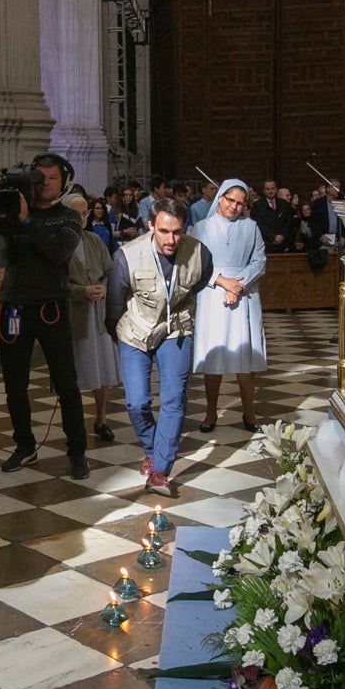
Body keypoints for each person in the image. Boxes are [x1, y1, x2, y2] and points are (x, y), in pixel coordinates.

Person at [0, 152, 91, 479]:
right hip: (15, 307)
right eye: (40, 178)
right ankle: (24, 445)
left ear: (64, 182)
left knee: (66, 384)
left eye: (53, 179)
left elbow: (58, 252)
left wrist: (26, 222)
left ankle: (77, 451)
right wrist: (3, 221)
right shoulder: (13, 214)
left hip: (51, 307)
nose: (45, 185)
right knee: (14, 384)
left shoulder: (69, 217)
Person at [106, 199, 212, 498]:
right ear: (150, 225)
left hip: (176, 331)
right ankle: (152, 448)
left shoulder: (199, 253)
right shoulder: (126, 256)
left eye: (177, 232)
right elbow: (113, 305)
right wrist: (119, 335)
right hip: (135, 331)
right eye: (164, 231)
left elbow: (200, 282)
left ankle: (160, 470)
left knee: (173, 398)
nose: (171, 239)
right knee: (137, 401)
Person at [191, 180, 267, 433]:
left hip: (244, 295)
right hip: (212, 293)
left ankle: (250, 413)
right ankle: (210, 413)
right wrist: (222, 282)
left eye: (240, 203)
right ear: (220, 199)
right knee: (214, 356)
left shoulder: (251, 227)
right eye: (230, 200)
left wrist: (239, 285)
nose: (234, 206)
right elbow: (193, 262)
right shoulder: (201, 227)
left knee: (245, 357)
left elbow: (259, 260)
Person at [63, 193, 118, 443]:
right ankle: (73, 424)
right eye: (77, 214)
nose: (82, 218)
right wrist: (80, 291)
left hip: (99, 314)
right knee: (72, 371)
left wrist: (103, 288)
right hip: (75, 315)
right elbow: (56, 283)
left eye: (85, 213)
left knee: (102, 367)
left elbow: (111, 271)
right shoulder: (59, 245)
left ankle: (101, 418)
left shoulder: (94, 240)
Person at [252, 179, 295, 253]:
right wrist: (273, 237)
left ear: (276, 189)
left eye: (272, 188)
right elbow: (259, 224)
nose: (270, 191)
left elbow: (288, 222)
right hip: (266, 243)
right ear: (264, 191)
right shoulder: (257, 205)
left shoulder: (284, 204)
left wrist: (282, 235)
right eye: (268, 189)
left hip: (283, 242)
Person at [309, 177, 344, 247]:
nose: (338, 190)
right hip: (323, 240)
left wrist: (343, 238)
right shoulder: (318, 203)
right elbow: (313, 223)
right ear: (327, 189)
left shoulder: (342, 203)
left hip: (339, 240)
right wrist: (321, 236)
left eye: (339, 187)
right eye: (335, 187)